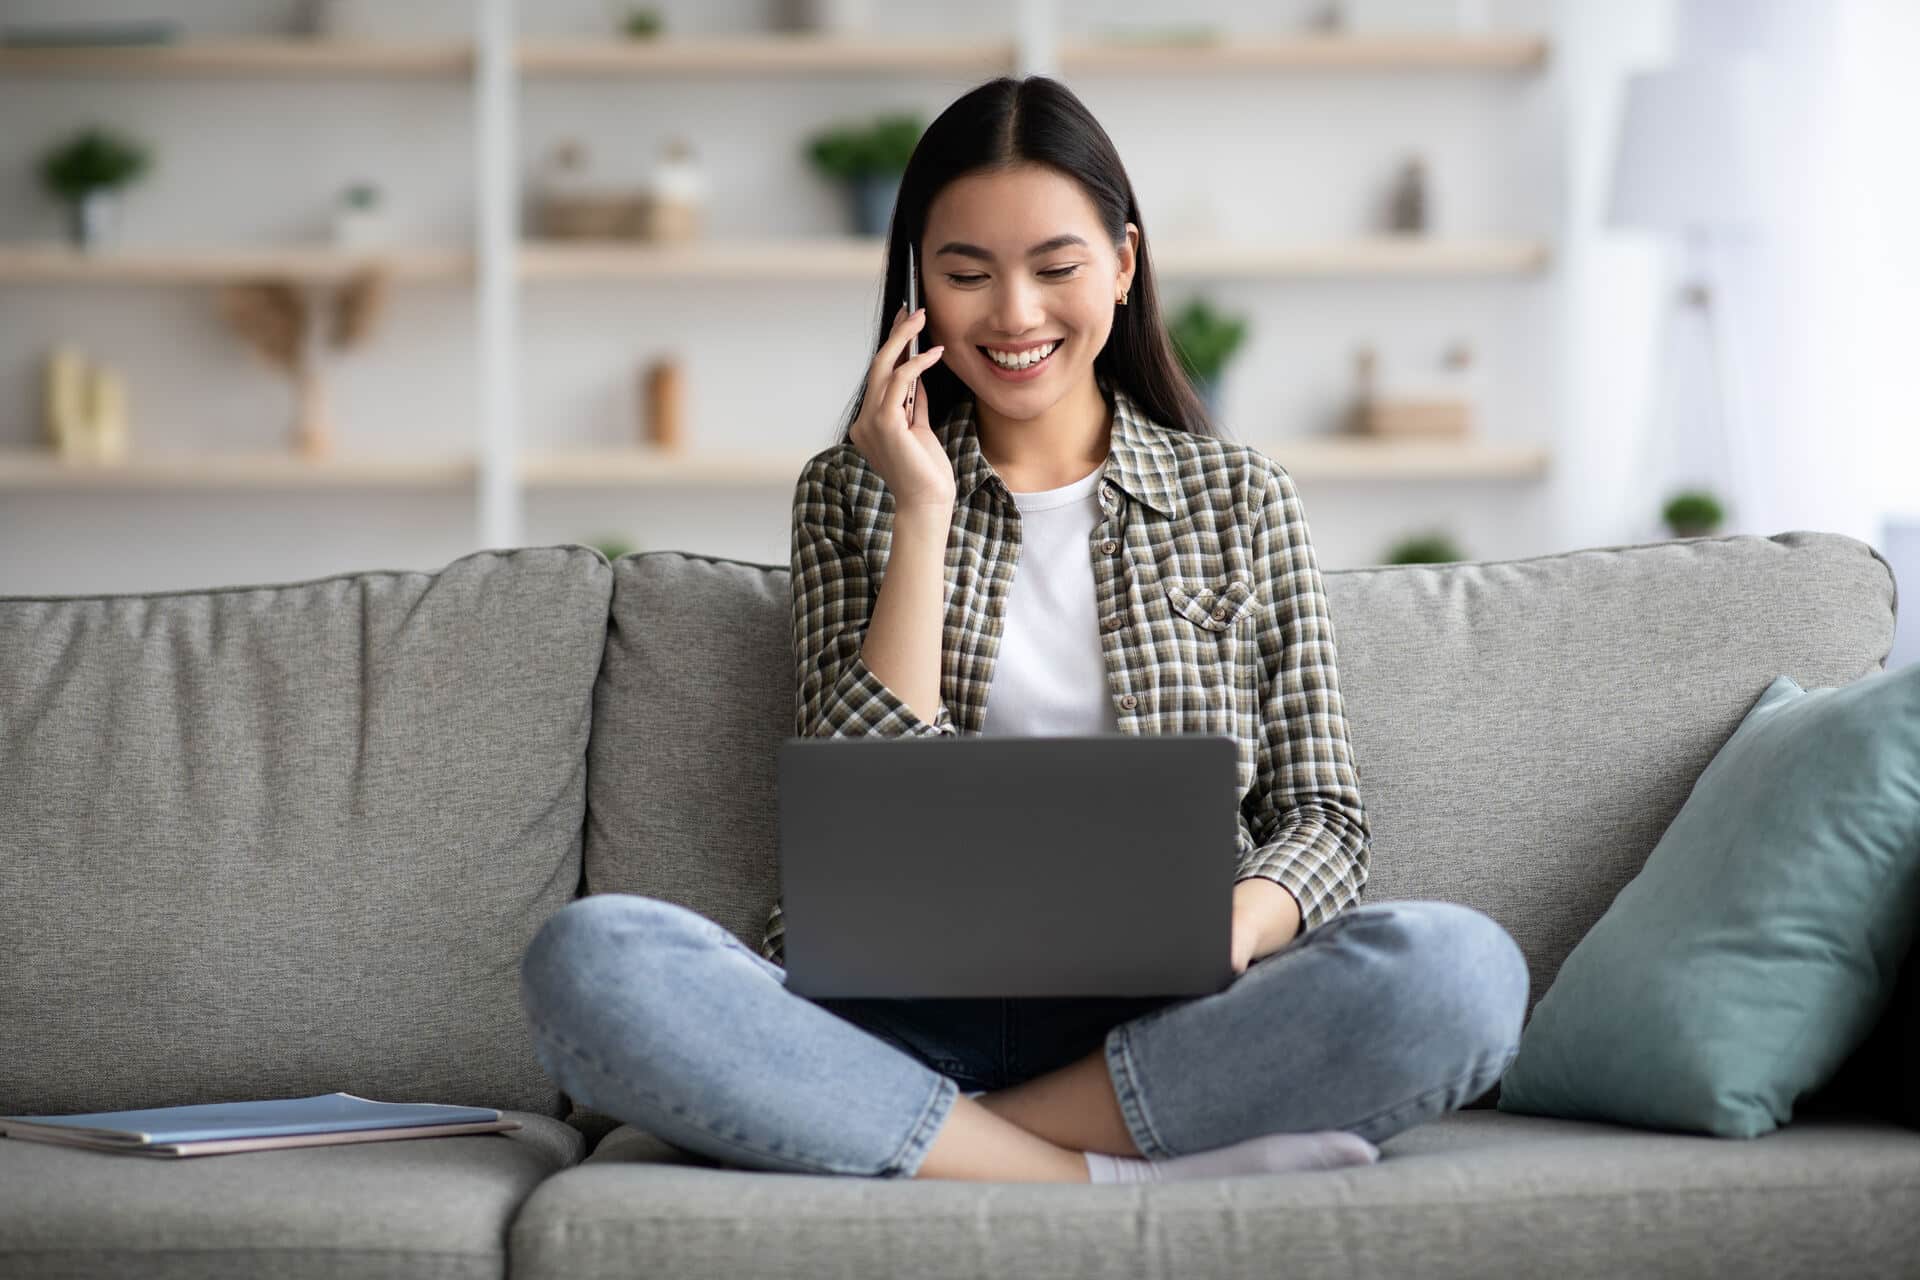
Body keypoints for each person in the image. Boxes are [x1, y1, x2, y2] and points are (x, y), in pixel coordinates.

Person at [518, 74, 1530, 1185]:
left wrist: (1230, 925)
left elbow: (1324, 817)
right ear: (916, 287)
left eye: (1057, 268)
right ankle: (1100, 1169)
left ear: (1125, 265)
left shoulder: (1242, 496)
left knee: (1459, 969)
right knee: (593, 958)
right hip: (884, 1014)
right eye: (965, 274)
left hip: (1163, 1017)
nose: (1013, 315)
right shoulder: (850, 493)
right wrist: (921, 514)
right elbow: (860, 813)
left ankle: (923, 1133)